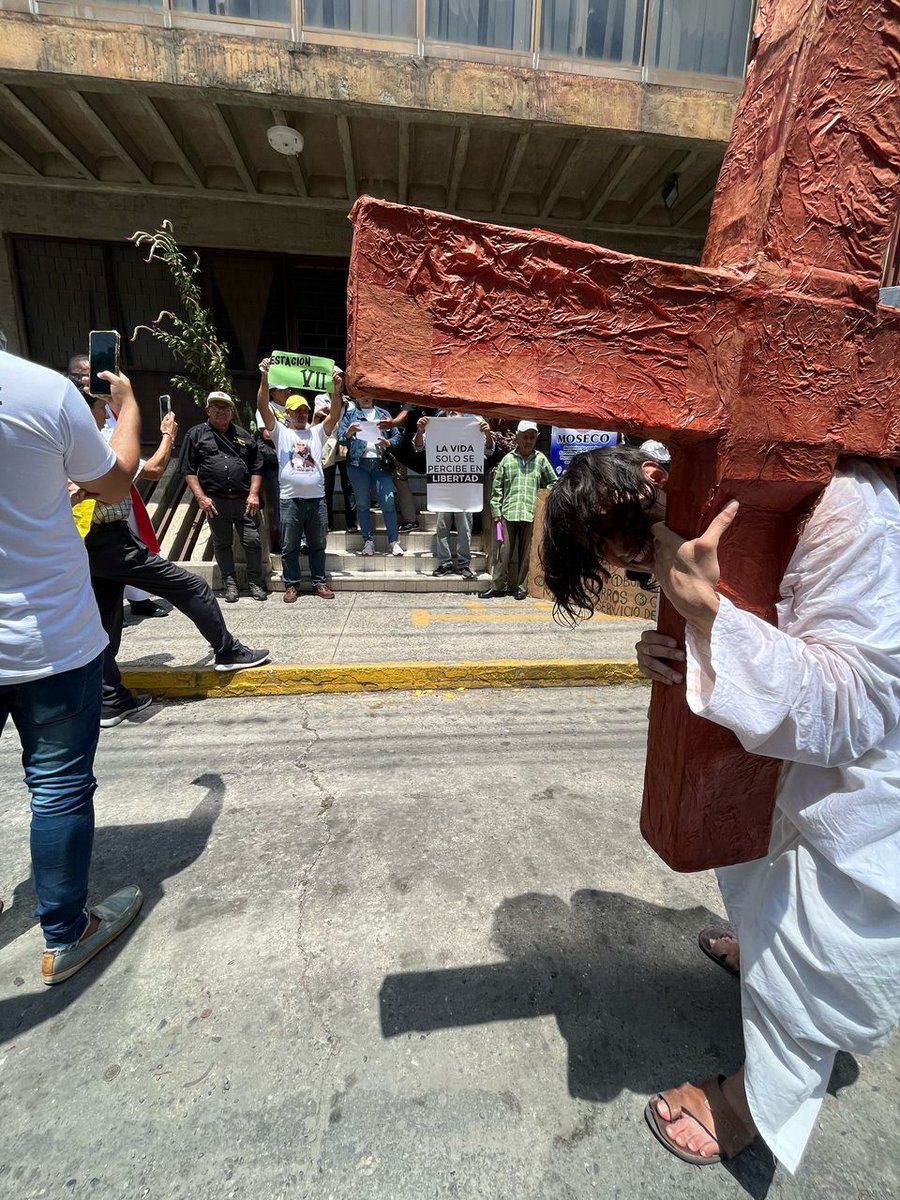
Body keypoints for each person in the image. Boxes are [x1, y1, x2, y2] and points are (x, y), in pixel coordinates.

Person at [540, 444, 900, 1175]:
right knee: (750, 868)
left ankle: (751, 1106)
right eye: (633, 565)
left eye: (638, 548)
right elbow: (739, 622)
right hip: (778, 764)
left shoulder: (852, 512)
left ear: (656, 480)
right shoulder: (701, 510)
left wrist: (710, 617)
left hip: (859, 780)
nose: (645, 569)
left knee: (820, 928)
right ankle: (760, 947)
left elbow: (857, 707)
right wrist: (677, 639)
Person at [1, 349, 145, 984]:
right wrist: (130, 408)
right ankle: (64, 933)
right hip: (47, 637)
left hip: (48, 636)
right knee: (58, 786)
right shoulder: (39, 392)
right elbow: (115, 479)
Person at [81, 374, 270, 726]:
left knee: (106, 618)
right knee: (192, 587)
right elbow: (153, 470)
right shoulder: (90, 446)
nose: (106, 415)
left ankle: (109, 699)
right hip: (109, 540)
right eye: (101, 409)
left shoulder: (73, 444)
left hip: (91, 543)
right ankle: (227, 651)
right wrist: (167, 431)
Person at [68, 352, 168, 619]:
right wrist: (168, 435)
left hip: (109, 508)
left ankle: (131, 605)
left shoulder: (107, 416)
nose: (93, 379)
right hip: (90, 522)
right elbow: (154, 469)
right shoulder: (87, 435)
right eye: (84, 375)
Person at [256, 361, 342, 601]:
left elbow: (334, 415)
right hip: (290, 500)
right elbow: (263, 407)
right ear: (288, 413)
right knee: (290, 546)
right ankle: (291, 584)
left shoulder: (316, 432)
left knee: (318, 544)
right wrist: (264, 376)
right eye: (296, 410)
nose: (301, 414)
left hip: (316, 500)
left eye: (304, 410)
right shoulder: (281, 432)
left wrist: (337, 388)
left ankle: (319, 582)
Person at [179, 390, 266, 603]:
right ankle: (230, 583)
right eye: (216, 407)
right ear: (208, 410)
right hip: (215, 501)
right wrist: (201, 498)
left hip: (245, 500)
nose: (221, 411)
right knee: (222, 542)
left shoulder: (243, 435)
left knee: (252, 541)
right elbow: (188, 470)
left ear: (232, 411)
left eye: (225, 407)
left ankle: (255, 582)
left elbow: (257, 467)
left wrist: (254, 493)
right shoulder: (195, 434)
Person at [479, 420, 556, 601]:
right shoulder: (507, 460)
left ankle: (522, 587)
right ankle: (498, 586)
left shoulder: (540, 460)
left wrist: (543, 501)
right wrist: (496, 511)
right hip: (508, 513)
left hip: (531, 514)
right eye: (525, 437)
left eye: (532, 437)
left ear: (536, 438)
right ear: (517, 437)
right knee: (503, 552)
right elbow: (497, 488)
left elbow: (553, 482)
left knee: (527, 554)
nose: (528, 441)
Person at [414, 411, 493, 581]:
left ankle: (464, 564)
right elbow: (419, 447)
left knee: (464, 527)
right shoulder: (436, 424)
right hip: (443, 486)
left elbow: (490, 450)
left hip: (466, 486)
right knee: (442, 526)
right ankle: (445, 562)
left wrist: (487, 433)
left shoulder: (475, 422)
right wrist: (420, 430)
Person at [338, 396, 404, 557]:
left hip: (381, 463)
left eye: (368, 393)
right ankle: (368, 541)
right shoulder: (350, 414)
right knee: (362, 503)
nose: (365, 397)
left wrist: (388, 443)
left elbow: (397, 435)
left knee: (388, 502)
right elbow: (340, 438)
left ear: (373, 396)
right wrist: (349, 432)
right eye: (361, 394)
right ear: (356, 397)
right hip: (358, 464)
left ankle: (393, 541)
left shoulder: (383, 413)